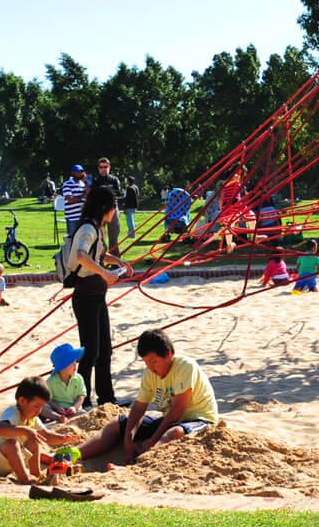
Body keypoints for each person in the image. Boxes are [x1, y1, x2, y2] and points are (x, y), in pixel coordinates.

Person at [73, 329, 220, 465]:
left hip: (200, 420)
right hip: (173, 420)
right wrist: (128, 438)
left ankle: (137, 466)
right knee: (117, 422)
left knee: (174, 433)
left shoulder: (185, 367)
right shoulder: (151, 373)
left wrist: (153, 441)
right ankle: (73, 454)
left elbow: (177, 411)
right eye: (146, 362)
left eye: (154, 361)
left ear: (168, 354)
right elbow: (139, 407)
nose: (150, 367)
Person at [67, 186, 127, 406]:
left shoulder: (97, 229)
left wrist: (118, 262)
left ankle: (107, 399)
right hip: (86, 297)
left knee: (105, 351)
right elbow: (82, 255)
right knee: (90, 351)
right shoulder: (88, 229)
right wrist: (104, 272)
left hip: (97, 297)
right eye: (113, 206)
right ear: (104, 207)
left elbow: (98, 255)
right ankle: (83, 402)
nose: (115, 211)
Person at [0, 376, 56, 485]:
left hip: (11, 463)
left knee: (34, 442)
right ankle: (26, 480)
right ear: (22, 401)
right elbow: (1, 429)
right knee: (12, 444)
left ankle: (36, 475)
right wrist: (25, 430)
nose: (39, 411)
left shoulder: (33, 419)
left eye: (41, 407)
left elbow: (47, 436)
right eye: (36, 406)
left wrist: (65, 438)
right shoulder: (12, 412)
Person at [45, 341, 90, 419]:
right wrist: (57, 408)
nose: (75, 364)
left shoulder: (78, 378)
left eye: (76, 361)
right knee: (44, 408)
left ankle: (64, 418)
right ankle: (59, 417)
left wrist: (74, 408)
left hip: (73, 410)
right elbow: (48, 399)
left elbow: (81, 396)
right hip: (57, 411)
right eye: (72, 362)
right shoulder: (51, 381)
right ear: (62, 366)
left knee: (84, 413)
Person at [91, 158, 126, 249]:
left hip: (112, 210)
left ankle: (115, 261)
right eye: (101, 167)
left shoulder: (114, 180)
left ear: (109, 167)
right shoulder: (95, 181)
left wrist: (104, 194)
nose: (103, 169)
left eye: (105, 167)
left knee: (113, 237)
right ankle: (100, 260)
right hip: (99, 211)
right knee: (100, 237)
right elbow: (93, 195)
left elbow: (117, 193)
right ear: (98, 168)